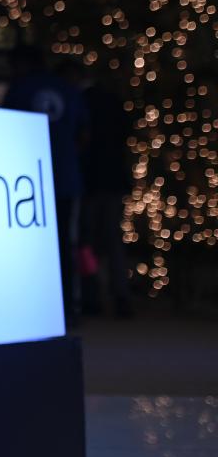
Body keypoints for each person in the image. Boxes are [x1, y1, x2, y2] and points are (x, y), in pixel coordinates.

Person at [3, 46, 86, 322]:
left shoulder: (20, 89)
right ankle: (68, 308)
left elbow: (6, 129)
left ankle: (36, 309)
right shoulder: (67, 90)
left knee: (30, 247)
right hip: (65, 178)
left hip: (27, 182)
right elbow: (84, 133)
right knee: (64, 244)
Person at [79, 78, 133, 317]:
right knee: (112, 239)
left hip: (91, 182)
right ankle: (119, 296)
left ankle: (93, 295)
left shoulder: (84, 102)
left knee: (90, 240)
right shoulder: (113, 103)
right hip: (112, 180)